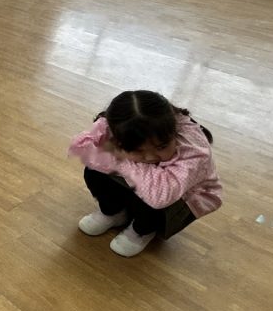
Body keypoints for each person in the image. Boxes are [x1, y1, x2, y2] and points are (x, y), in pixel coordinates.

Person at [68, 90, 223, 257]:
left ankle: (142, 230)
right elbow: (87, 149)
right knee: (94, 171)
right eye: (138, 150)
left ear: (174, 132)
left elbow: (161, 195)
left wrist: (121, 159)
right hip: (152, 185)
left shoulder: (195, 154)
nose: (150, 157)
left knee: (151, 198)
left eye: (161, 146)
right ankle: (114, 212)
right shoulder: (123, 126)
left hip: (183, 197)